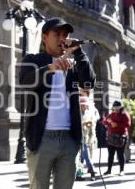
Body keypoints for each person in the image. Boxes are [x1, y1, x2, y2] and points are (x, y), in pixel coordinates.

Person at [20, 17, 96, 189]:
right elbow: (26, 82)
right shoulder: (33, 60)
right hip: (41, 138)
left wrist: (79, 52)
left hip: (69, 139)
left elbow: (89, 83)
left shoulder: (74, 64)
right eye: (57, 33)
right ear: (45, 37)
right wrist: (50, 68)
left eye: (66, 34)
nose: (63, 38)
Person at [103, 100, 131, 176]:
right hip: (111, 137)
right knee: (110, 154)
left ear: (121, 107)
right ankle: (109, 170)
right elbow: (104, 121)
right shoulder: (112, 114)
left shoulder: (124, 114)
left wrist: (117, 124)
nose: (116, 110)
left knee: (120, 154)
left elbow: (128, 125)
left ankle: (122, 170)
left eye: (118, 108)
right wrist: (109, 122)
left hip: (121, 137)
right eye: (115, 108)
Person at [78, 96, 96, 181]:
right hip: (78, 138)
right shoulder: (76, 113)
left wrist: (89, 124)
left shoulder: (89, 113)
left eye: (84, 105)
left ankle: (90, 172)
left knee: (85, 156)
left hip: (85, 138)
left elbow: (92, 123)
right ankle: (81, 174)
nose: (83, 106)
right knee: (81, 158)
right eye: (82, 105)